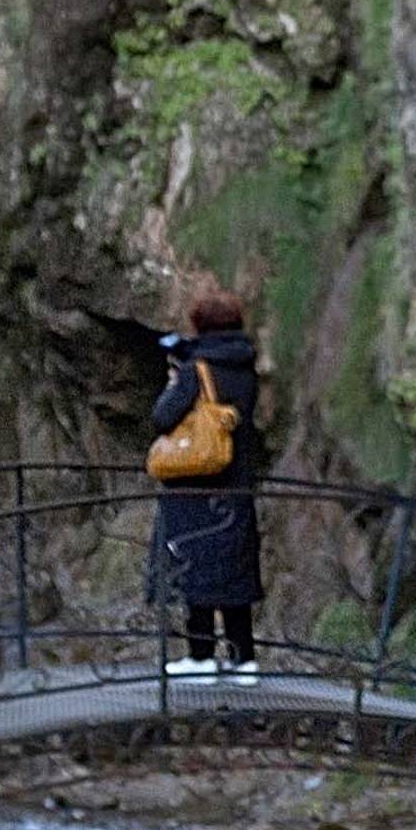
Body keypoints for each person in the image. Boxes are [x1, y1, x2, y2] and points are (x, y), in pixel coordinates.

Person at [149, 285, 268, 675]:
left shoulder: (194, 371)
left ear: (200, 325)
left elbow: (163, 417)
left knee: (195, 569)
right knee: (235, 575)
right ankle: (244, 660)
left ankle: (200, 658)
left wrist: (174, 382)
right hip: (236, 487)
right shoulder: (246, 368)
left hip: (197, 488)